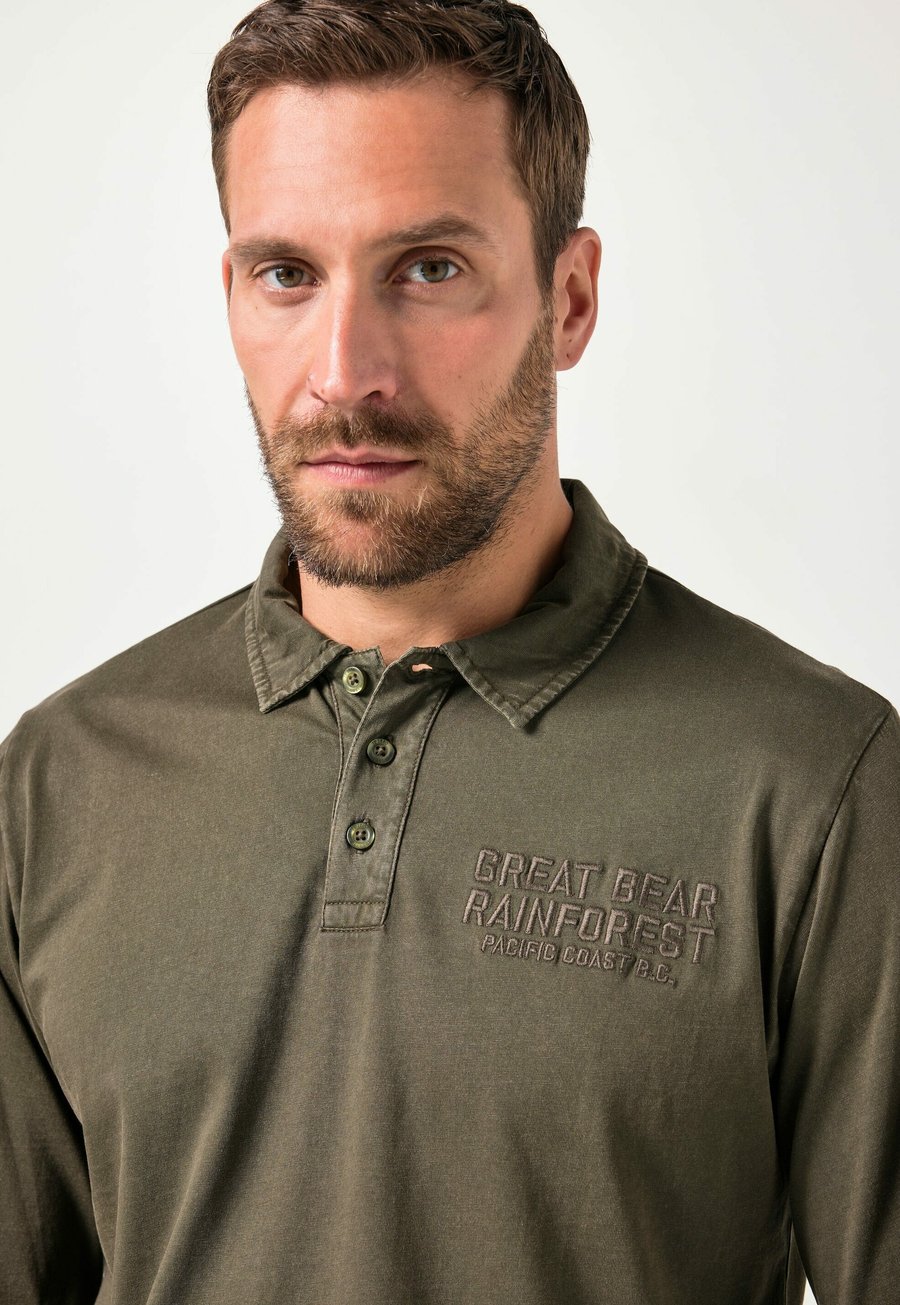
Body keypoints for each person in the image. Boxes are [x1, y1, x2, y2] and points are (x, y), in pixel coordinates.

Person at [1, 1, 896, 1301]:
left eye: (427, 269)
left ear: (570, 299)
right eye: (287, 274)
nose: (344, 372)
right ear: (232, 294)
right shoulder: (57, 785)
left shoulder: (817, 785)